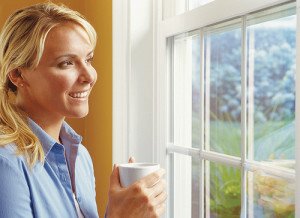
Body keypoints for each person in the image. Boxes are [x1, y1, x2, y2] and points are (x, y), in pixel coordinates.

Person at [0, 2, 166, 218]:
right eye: (66, 63)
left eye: (88, 59)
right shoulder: (6, 164)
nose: (90, 76)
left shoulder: (80, 158)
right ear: (18, 75)